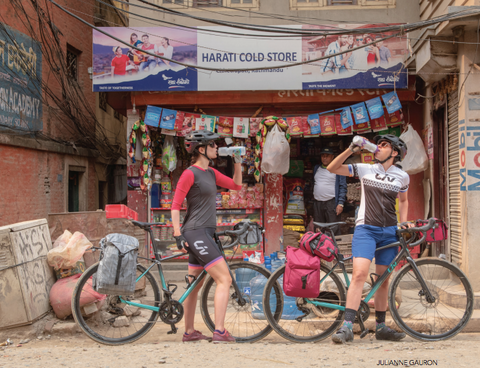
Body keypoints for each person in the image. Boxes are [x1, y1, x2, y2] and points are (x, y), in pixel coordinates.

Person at [327, 134, 412, 344]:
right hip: (366, 230)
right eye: (378, 144)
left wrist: (404, 222)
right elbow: (332, 168)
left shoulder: (402, 176)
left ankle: (381, 327)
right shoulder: (366, 168)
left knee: (382, 281)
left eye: (384, 145)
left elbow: (404, 200)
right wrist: (350, 150)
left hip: (390, 232)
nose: (378, 147)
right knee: (359, 275)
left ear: (394, 153)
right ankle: (346, 326)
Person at [171, 130, 243, 344]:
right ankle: (219, 331)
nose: (216, 148)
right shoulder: (189, 173)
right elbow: (175, 206)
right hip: (195, 232)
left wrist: (237, 161)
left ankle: (190, 331)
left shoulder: (211, 173)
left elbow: (236, 186)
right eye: (213, 145)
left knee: (195, 284)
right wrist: (177, 234)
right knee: (225, 279)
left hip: (205, 233)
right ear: (201, 149)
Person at [313, 148, 347, 235]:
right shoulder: (317, 168)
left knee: (333, 227)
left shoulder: (338, 169)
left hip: (331, 203)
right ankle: (320, 246)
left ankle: (335, 246)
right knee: (318, 227)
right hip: (318, 203)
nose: (324, 158)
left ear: (332, 157)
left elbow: (343, 186)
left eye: (327, 156)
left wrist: (340, 203)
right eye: (323, 156)